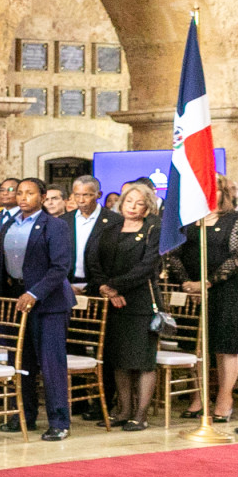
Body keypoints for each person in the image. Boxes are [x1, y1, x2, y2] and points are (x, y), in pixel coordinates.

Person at [0, 178, 74, 440]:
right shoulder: (9, 224)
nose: (22, 197)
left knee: (51, 363)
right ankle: (24, 416)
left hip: (49, 303)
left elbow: (60, 267)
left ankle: (59, 422)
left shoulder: (55, 226)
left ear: (42, 197)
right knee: (21, 362)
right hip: (16, 301)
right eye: (19, 192)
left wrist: (34, 293)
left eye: (29, 193)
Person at [170, 176, 238, 423]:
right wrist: (188, 283)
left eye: (213, 188)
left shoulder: (235, 220)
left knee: (225, 347)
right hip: (194, 292)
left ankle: (225, 398)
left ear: (223, 192)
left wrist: (207, 282)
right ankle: (199, 395)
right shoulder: (188, 219)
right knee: (198, 347)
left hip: (224, 290)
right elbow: (173, 254)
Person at [93, 181, 163, 430]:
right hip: (114, 302)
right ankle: (123, 410)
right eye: (129, 201)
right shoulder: (110, 228)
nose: (132, 206)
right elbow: (94, 259)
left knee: (143, 361)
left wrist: (114, 286)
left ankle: (140, 415)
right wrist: (105, 287)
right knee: (119, 359)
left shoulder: (153, 229)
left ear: (147, 207)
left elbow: (147, 266)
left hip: (141, 302)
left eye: (139, 203)